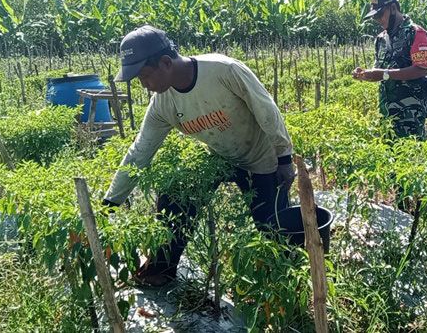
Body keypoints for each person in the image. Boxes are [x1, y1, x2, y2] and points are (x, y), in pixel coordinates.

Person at [103, 25, 296, 286]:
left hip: (262, 159)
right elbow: (140, 151)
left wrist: (284, 158)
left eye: (145, 76)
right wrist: (111, 202)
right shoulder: (163, 104)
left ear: (165, 63)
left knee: (274, 229)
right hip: (221, 158)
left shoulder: (224, 70)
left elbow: (266, 110)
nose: (144, 85)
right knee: (176, 195)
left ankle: (285, 284)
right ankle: (162, 269)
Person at [352, 0, 427, 140]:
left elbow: (422, 69)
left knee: (411, 155)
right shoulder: (380, 39)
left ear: (393, 8)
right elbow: (380, 71)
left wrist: (384, 74)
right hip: (386, 112)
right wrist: (365, 74)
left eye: (379, 14)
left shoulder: (416, 33)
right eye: (374, 16)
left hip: (410, 113)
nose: (377, 19)